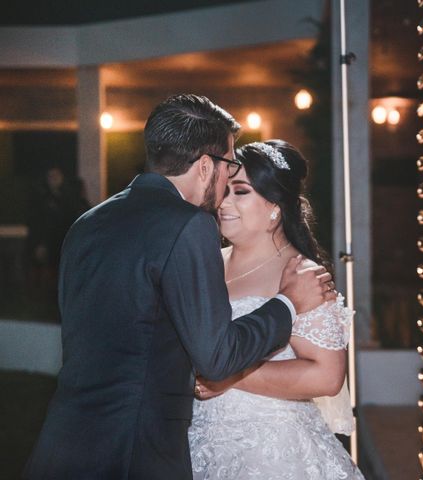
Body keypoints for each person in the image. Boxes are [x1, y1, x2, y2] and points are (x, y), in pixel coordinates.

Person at [23, 95, 336, 480]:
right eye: (228, 166)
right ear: (206, 166)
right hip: (136, 450)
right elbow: (216, 358)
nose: (226, 185)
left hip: (65, 442)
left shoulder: (88, 222)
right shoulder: (188, 225)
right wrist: (288, 303)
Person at [188, 140, 364, 479]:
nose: (223, 202)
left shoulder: (301, 274)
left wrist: (232, 375)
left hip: (272, 453)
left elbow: (327, 376)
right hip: (199, 444)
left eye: (240, 192)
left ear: (275, 206)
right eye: (224, 189)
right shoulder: (205, 263)